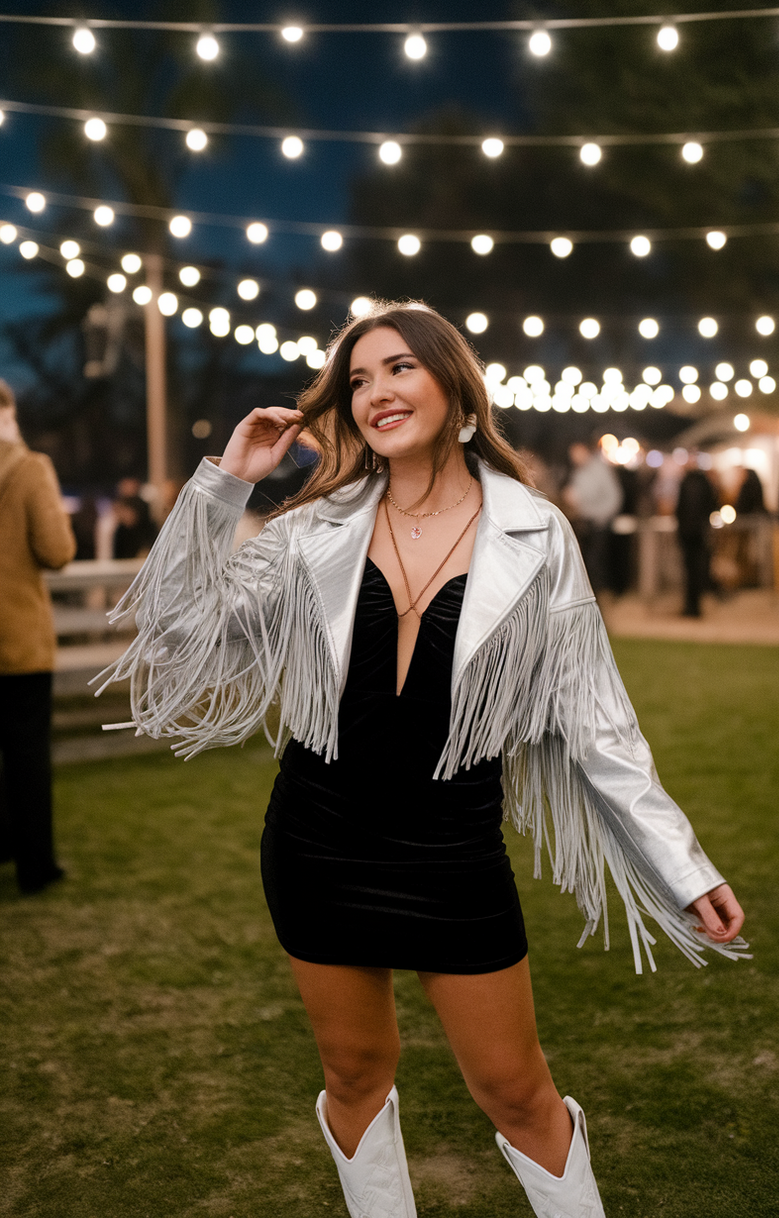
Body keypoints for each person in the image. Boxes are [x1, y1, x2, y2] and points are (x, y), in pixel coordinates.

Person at [100, 304, 745, 1218]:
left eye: (398, 369)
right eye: (357, 380)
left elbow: (599, 724)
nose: (375, 393)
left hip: (453, 855)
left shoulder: (537, 534)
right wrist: (224, 485)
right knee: (354, 1075)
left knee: (517, 1093)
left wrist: (680, 867)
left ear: (453, 385)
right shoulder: (312, 527)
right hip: (318, 842)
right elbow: (174, 630)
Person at [0, 379, 76, 893]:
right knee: (26, 756)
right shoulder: (27, 468)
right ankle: (35, 866)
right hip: (18, 640)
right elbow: (57, 550)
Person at [562, 441, 622, 593]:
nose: (574, 457)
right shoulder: (579, 471)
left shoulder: (600, 469)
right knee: (586, 562)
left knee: (596, 564)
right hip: (584, 523)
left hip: (599, 524)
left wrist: (602, 518)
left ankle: (599, 597)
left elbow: (614, 497)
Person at [675, 452, 717, 617]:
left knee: (693, 570)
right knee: (695, 570)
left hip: (693, 533)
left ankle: (693, 606)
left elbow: (681, 509)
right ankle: (692, 606)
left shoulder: (689, 482)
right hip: (696, 533)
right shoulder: (700, 482)